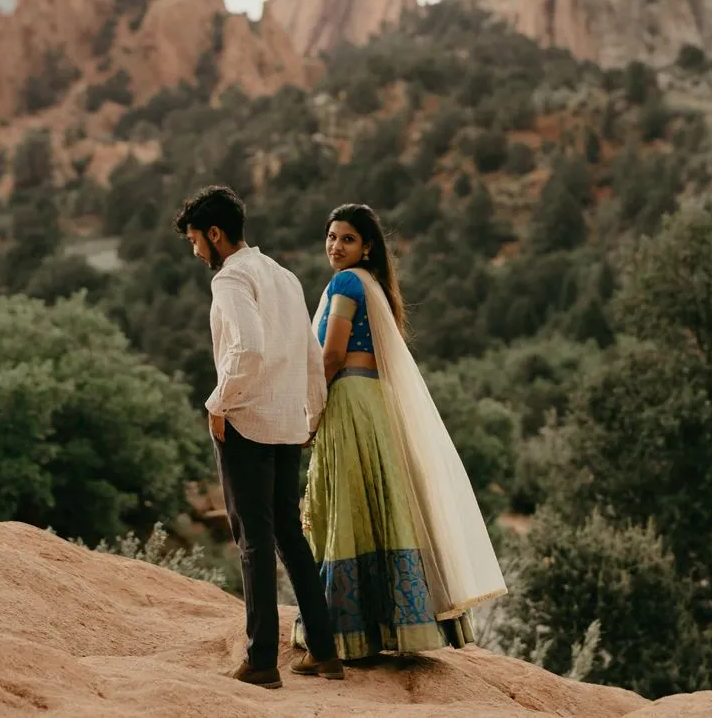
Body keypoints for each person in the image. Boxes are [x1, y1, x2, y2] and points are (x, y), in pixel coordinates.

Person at [292, 203, 507, 661]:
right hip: (373, 402)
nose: (336, 246)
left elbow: (330, 356)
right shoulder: (375, 286)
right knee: (379, 507)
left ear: (366, 246)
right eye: (331, 236)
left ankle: (341, 637)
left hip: (348, 400)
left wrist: (309, 417)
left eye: (347, 239)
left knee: (346, 512)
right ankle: (390, 626)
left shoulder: (346, 282)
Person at [173, 184, 344, 689]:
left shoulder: (230, 279)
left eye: (195, 240)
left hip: (246, 419)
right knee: (290, 535)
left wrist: (218, 402)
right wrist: (310, 412)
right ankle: (325, 652)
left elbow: (248, 349)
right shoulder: (285, 276)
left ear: (216, 234)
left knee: (253, 542)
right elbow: (312, 354)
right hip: (287, 419)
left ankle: (262, 661)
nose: (195, 249)